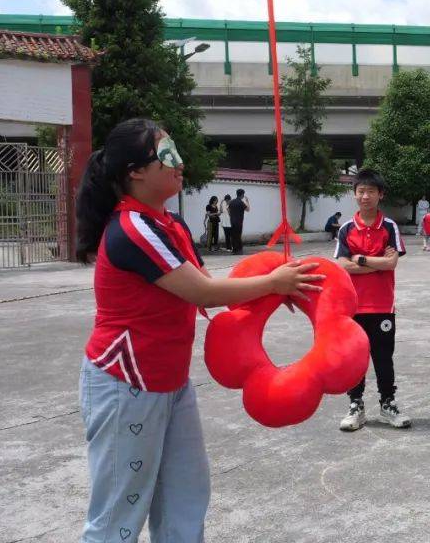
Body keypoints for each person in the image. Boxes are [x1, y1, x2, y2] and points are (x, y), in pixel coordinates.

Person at [74, 118, 324, 543]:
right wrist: (273, 282)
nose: (180, 162)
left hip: (169, 382)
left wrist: (272, 291)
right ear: (135, 171)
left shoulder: (169, 225)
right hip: (127, 384)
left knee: (185, 497)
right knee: (120, 512)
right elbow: (203, 293)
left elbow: (212, 285)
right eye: (167, 154)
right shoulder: (133, 229)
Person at [334, 169, 409, 432]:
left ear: (380, 195)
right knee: (354, 358)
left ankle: (388, 404)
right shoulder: (346, 229)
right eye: (361, 191)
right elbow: (342, 265)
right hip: (352, 307)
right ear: (354, 194)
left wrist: (361, 259)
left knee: (383, 358)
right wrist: (378, 264)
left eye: (371, 191)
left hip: (382, 307)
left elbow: (393, 263)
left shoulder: (389, 227)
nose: (365, 196)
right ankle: (356, 406)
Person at [227, 189, 249, 255]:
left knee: (233, 236)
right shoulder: (241, 202)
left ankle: (234, 250)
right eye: (243, 194)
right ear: (242, 194)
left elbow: (228, 209)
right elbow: (248, 209)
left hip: (232, 221)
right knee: (238, 235)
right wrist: (247, 201)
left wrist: (231, 215)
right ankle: (239, 250)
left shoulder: (232, 201)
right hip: (239, 221)